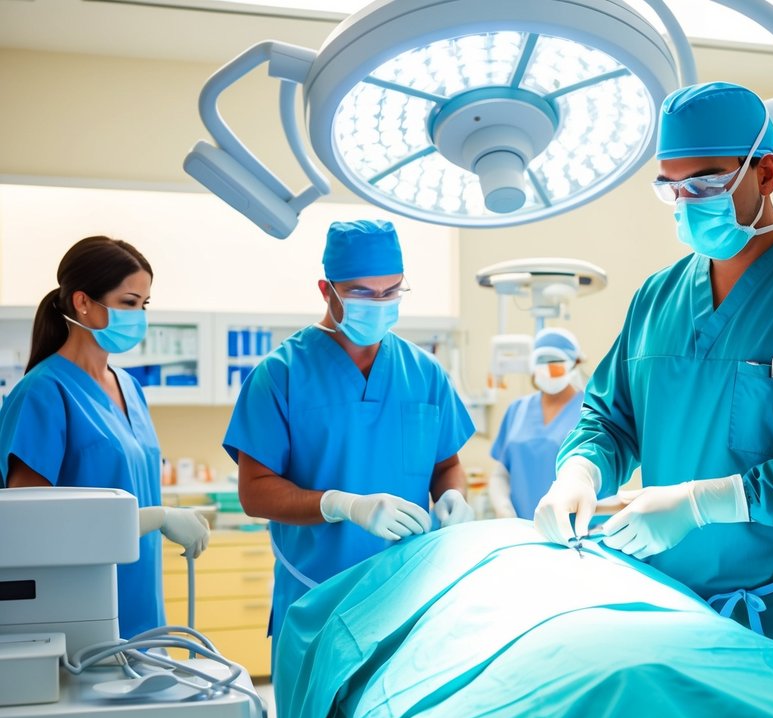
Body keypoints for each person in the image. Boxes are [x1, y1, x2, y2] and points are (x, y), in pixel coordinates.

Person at [533, 82, 773, 685]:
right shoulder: (657, 297)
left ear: (765, 173)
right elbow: (609, 418)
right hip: (673, 610)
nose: (687, 201)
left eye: (706, 183)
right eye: (671, 187)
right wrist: (579, 473)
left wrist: (702, 504)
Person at [222, 219, 475, 639]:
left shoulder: (424, 373)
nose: (378, 303)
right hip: (317, 601)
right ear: (327, 290)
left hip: (408, 598)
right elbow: (254, 491)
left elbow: (446, 463)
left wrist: (453, 496)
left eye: (391, 291)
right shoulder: (280, 375)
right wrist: (341, 505)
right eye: (362, 292)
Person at [0, 236, 210, 638]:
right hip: (78, 612)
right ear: (82, 302)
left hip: (143, 606)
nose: (140, 316)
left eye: (144, 305)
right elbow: (27, 528)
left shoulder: (130, 387)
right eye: (129, 302)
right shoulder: (43, 393)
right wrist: (157, 518)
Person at [489, 328, 585, 520]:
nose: (548, 371)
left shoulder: (588, 412)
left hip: (575, 531)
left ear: (575, 364)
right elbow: (501, 473)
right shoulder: (517, 409)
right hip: (520, 529)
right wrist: (503, 508)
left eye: (556, 364)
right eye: (541, 363)